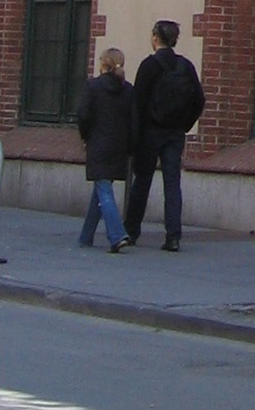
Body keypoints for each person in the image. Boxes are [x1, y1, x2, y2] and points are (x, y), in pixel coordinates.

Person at [126, 18, 204, 252]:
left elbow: (137, 104)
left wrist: (134, 136)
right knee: (172, 183)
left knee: (142, 182)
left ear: (155, 38)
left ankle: (131, 230)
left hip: (150, 131)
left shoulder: (149, 66)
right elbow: (199, 100)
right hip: (175, 133)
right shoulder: (186, 66)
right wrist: (184, 124)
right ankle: (173, 236)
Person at [74, 46, 135, 250]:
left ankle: (117, 235)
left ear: (103, 64)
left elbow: (83, 114)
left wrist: (85, 136)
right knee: (101, 187)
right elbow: (134, 120)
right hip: (119, 145)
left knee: (104, 189)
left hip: (98, 143)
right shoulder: (128, 90)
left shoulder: (93, 87)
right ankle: (86, 236)